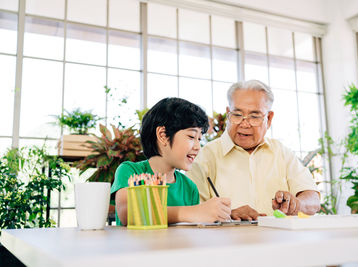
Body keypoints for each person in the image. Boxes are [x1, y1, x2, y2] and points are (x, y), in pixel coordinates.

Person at [186, 80, 320, 221]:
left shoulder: (281, 152)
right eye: (237, 115)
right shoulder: (205, 156)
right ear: (228, 114)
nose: (244, 124)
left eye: (254, 117)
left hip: (279, 241)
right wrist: (228, 215)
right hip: (225, 242)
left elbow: (313, 199)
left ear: (269, 118)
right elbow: (189, 212)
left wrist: (296, 204)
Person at [111, 97, 231, 226]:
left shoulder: (189, 187)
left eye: (199, 139)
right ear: (162, 135)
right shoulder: (131, 172)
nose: (197, 147)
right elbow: (128, 213)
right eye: (191, 136)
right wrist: (190, 213)